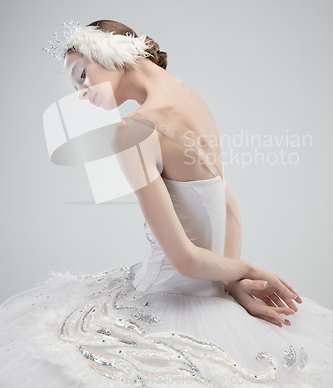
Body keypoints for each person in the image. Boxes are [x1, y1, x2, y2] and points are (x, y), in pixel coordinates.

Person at [0, 20, 332, 388]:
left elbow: (184, 260)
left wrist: (244, 271)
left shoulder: (131, 129)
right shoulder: (193, 99)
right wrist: (233, 282)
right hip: (210, 291)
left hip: (166, 301)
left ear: (109, 51)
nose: (81, 92)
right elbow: (227, 203)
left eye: (81, 75)